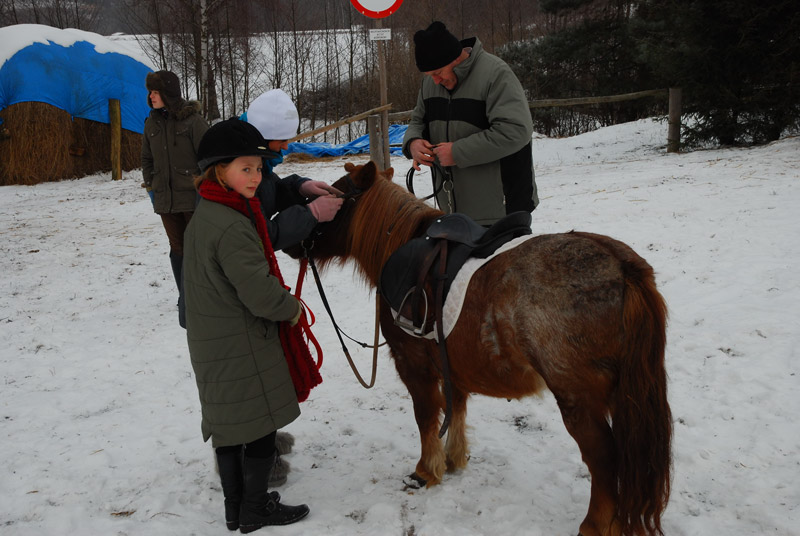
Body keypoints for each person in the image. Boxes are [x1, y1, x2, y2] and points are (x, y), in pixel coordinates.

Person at [183, 118, 311, 533]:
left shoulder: (210, 211)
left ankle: (236, 507)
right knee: (257, 427)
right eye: (245, 169)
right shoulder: (233, 224)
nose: (255, 177)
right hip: (240, 340)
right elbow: (258, 292)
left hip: (216, 340)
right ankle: (256, 507)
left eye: (258, 168)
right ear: (219, 171)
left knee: (229, 427)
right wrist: (292, 309)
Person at [402, 21, 539, 226]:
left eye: (439, 73)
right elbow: (418, 121)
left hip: (503, 210)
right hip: (451, 211)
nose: (435, 81)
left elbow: (516, 131)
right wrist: (413, 142)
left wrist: (458, 152)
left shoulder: (496, 74)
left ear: (456, 58)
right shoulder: (430, 83)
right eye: (430, 76)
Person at [242, 88, 343, 249]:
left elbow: (269, 191)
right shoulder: (237, 171)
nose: (286, 146)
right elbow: (257, 237)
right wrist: (311, 214)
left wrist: (299, 187)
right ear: (263, 137)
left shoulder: (256, 161)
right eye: (282, 139)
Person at [141, 70, 208, 306]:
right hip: (165, 199)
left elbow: (208, 157)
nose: (151, 96)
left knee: (197, 248)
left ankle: (204, 295)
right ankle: (186, 297)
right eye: (150, 92)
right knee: (177, 248)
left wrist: (204, 190)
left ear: (168, 93)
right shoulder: (151, 122)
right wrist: (151, 186)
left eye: (155, 91)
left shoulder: (193, 121)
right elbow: (147, 159)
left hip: (193, 198)